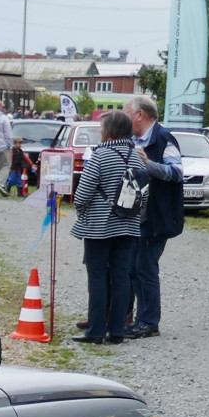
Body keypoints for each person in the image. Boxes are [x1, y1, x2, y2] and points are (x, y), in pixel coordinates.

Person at [70, 109, 142, 345]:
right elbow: (144, 194)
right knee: (121, 278)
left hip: (99, 226)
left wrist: (82, 212)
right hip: (128, 225)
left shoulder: (101, 155)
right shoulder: (137, 156)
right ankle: (118, 330)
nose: (100, 131)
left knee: (98, 277)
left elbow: (82, 193)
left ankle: (97, 331)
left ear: (109, 131)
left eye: (102, 128)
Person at [125, 94, 183, 339]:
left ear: (140, 114)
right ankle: (137, 318)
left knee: (145, 266)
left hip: (158, 217)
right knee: (134, 267)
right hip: (137, 216)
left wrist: (149, 164)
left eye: (127, 112)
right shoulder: (132, 140)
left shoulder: (163, 138)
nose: (124, 117)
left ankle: (149, 321)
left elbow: (177, 172)